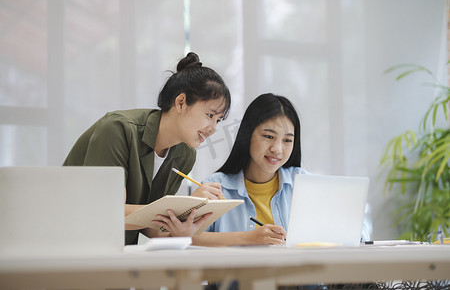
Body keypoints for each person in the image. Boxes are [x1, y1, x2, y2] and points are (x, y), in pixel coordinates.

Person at [63, 52, 231, 245]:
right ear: (181, 102)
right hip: (67, 244)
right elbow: (108, 212)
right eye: (210, 115)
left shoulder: (185, 154)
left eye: (218, 120)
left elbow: (151, 229)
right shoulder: (117, 129)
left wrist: (184, 221)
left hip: (118, 253)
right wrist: (183, 206)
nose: (213, 128)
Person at [191, 93, 371, 247]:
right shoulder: (214, 189)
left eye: (287, 140)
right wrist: (248, 239)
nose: (277, 149)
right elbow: (187, 239)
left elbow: (358, 231)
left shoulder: (303, 184)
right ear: (247, 135)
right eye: (268, 136)